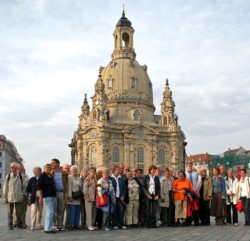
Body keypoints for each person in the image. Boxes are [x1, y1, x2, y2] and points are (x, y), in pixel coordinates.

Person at [3, 162, 24, 230]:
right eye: (11, 167)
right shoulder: (8, 176)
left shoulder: (20, 176)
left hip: (19, 197)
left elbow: (24, 187)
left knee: (19, 212)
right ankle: (10, 225)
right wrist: (5, 196)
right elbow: (5, 187)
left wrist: (22, 194)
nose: (11, 168)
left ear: (16, 168)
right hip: (10, 197)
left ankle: (19, 223)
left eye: (12, 167)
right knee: (10, 212)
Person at [37, 163, 57, 234]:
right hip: (47, 197)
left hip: (53, 196)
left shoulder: (50, 176)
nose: (49, 168)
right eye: (47, 167)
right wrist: (40, 197)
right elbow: (39, 188)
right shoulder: (42, 176)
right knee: (50, 212)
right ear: (44, 168)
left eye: (50, 167)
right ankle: (47, 229)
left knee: (51, 213)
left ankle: (49, 227)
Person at [51, 158, 68, 231]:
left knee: (61, 210)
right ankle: (54, 225)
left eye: (53, 163)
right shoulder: (51, 172)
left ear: (58, 164)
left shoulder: (63, 172)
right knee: (54, 210)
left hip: (61, 192)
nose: (52, 164)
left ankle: (60, 225)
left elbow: (66, 182)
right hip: (54, 193)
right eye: (51, 163)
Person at [97, 166, 115, 231]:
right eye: (105, 172)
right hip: (104, 197)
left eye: (107, 172)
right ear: (102, 173)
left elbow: (112, 190)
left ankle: (107, 225)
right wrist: (101, 198)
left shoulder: (110, 181)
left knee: (110, 212)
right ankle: (104, 226)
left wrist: (114, 198)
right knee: (106, 212)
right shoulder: (100, 181)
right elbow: (99, 190)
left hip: (110, 197)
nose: (106, 173)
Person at [110, 165, 127, 229]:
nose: (119, 171)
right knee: (114, 211)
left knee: (121, 210)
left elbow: (124, 188)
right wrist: (113, 197)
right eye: (118, 170)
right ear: (114, 170)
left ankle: (121, 224)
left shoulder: (121, 178)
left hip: (120, 197)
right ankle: (115, 224)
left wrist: (123, 195)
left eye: (120, 170)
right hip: (113, 197)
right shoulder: (110, 178)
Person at [67, 165, 82, 230]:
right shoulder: (69, 177)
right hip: (72, 197)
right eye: (73, 170)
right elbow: (69, 187)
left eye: (76, 169)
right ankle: (71, 225)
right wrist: (70, 196)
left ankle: (76, 224)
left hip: (78, 196)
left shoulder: (79, 178)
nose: (75, 171)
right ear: (70, 171)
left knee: (77, 212)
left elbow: (81, 187)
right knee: (72, 212)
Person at [17, 164, 29, 229]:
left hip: (25, 195)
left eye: (21, 168)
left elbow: (28, 185)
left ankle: (23, 222)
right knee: (18, 211)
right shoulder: (15, 176)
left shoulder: (26, 176)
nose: (20, 170)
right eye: (18, 169)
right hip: (18, 196)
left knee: (24, 210)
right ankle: (18, 222)